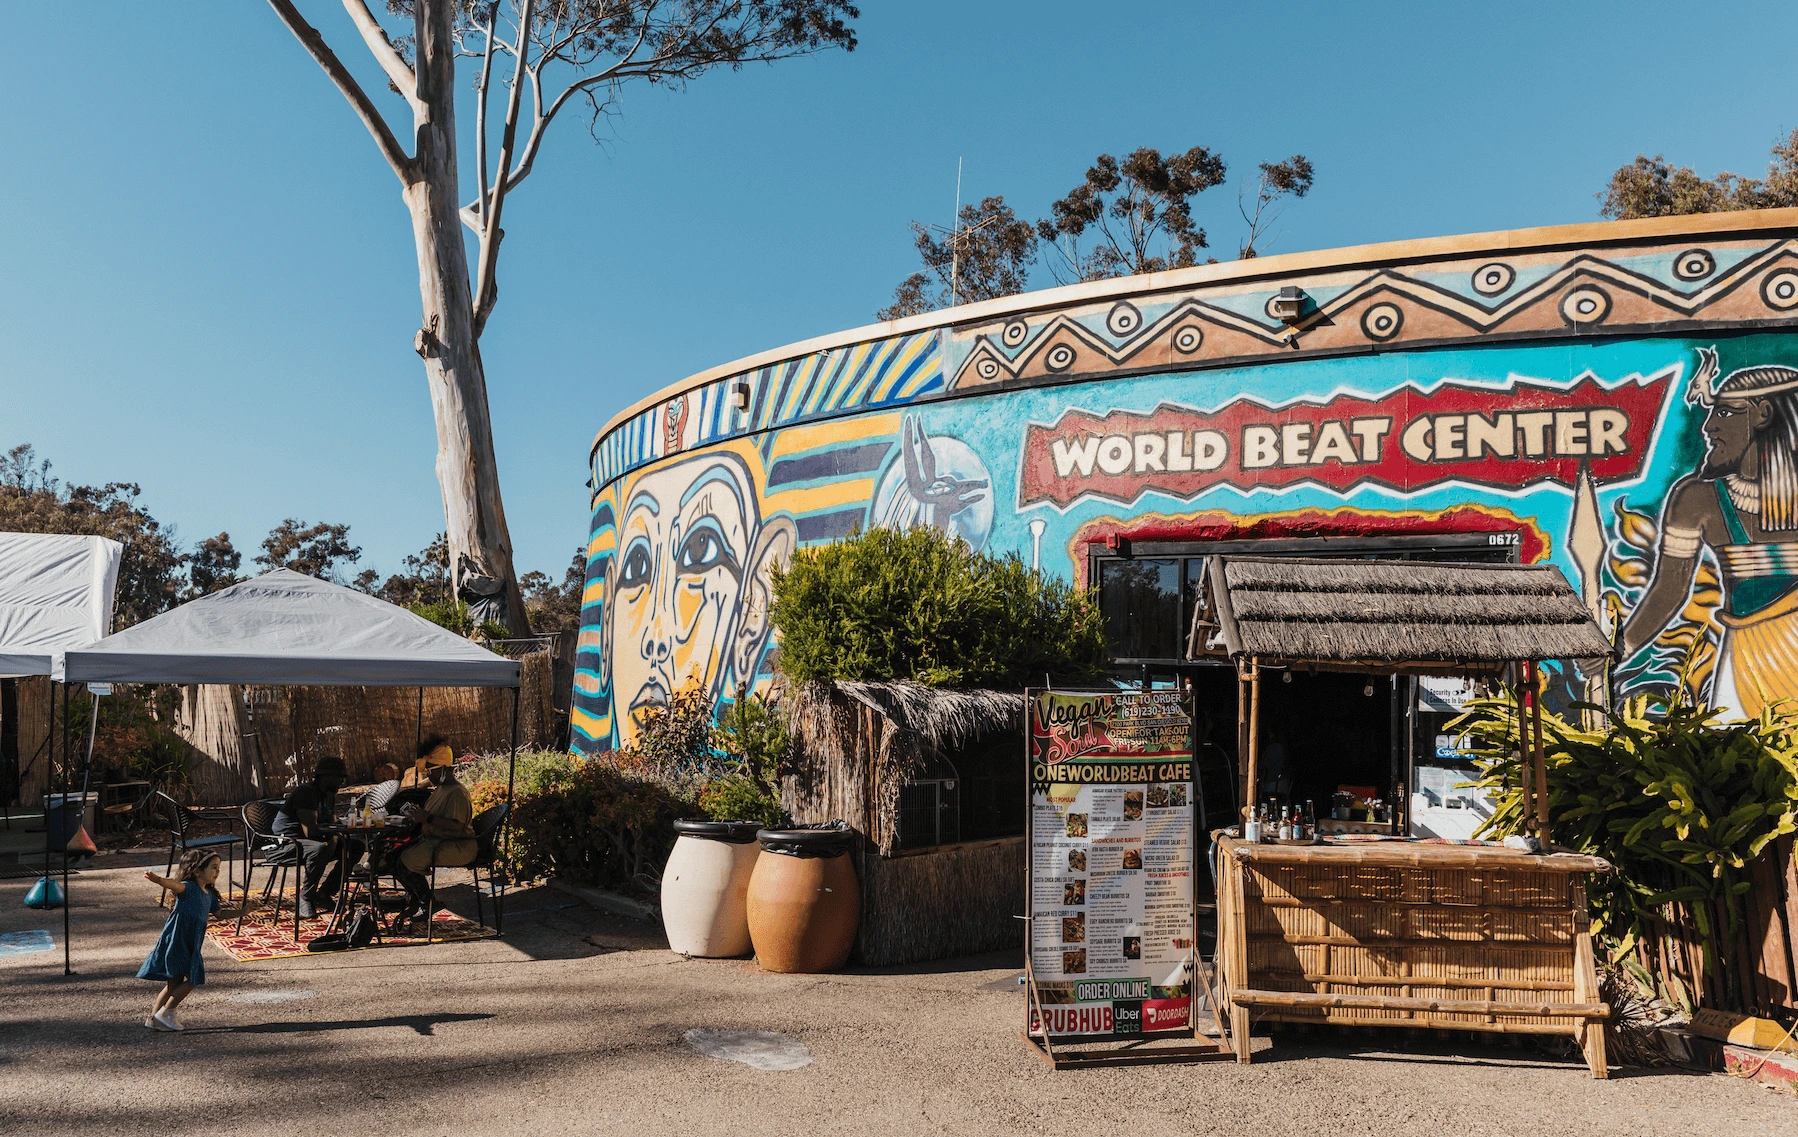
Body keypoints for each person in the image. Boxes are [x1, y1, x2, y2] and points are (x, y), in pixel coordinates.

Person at [1623, 347, 1798, 717]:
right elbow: (1669, 590)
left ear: (1763, 415)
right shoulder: (1698, 498)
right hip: (1747, 659)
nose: (1708, 427)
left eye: (1724, 412)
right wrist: (1616, 651)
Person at [386, 737, 477, 931]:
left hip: (457, 845)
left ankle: (426, 901)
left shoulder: (457, 793)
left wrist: (426, 819)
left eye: (431, 771)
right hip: (438, 840)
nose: (429, 776)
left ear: (443, 769)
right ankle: (417, 898)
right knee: (392, 857)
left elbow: (456, 826)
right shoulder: (442, 789)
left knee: (406, 860)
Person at [138, 849, 223, 1032]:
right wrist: (158, 880)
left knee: (174, 982)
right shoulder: (189, 887)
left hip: (192, 941)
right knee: (194, 977)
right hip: (178, 940)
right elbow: (173, 884)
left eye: (218, 868)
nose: (217, 872)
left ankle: (154, 1019)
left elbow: (220, 914)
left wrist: (243, 912)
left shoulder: (209, 894)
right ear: (197, 871)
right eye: (213, 867)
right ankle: (166, 1012)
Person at [273, 755, 365, 919]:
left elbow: (332, 823)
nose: (340, 783)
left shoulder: (328, 796)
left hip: (311, 840)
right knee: (319, 848)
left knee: (355, 846)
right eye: (338, 778)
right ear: (325, 777)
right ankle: (306, 896)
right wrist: (333, 837)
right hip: (287, 842)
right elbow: (311, 831)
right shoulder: (306, 792)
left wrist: (338, 835)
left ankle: (325, 893)